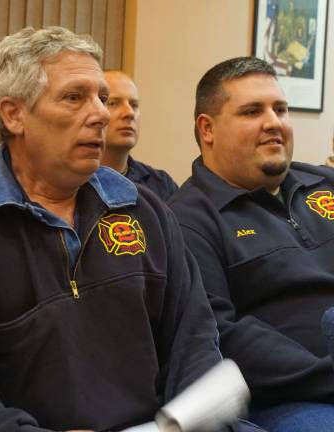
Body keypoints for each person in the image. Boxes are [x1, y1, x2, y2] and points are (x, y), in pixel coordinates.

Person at [0, 27, 251, 432]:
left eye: (101, 97)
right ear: (14, 114)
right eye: (74, 97)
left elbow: (193, 341)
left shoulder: (145, 210)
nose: (102, 113)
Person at [169, 56, 334, 432]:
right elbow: (220, 334)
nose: (273, 122)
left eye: (280, 109)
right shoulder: (188, 219)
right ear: (207, 129)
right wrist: (326, 375)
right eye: (252, 111)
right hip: (293, 397)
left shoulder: (324, 182)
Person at [102, 70, 178, 200]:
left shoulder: (161, 185)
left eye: (134, 105)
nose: (129, 113)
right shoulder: (72, 182)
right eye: (113, 103)